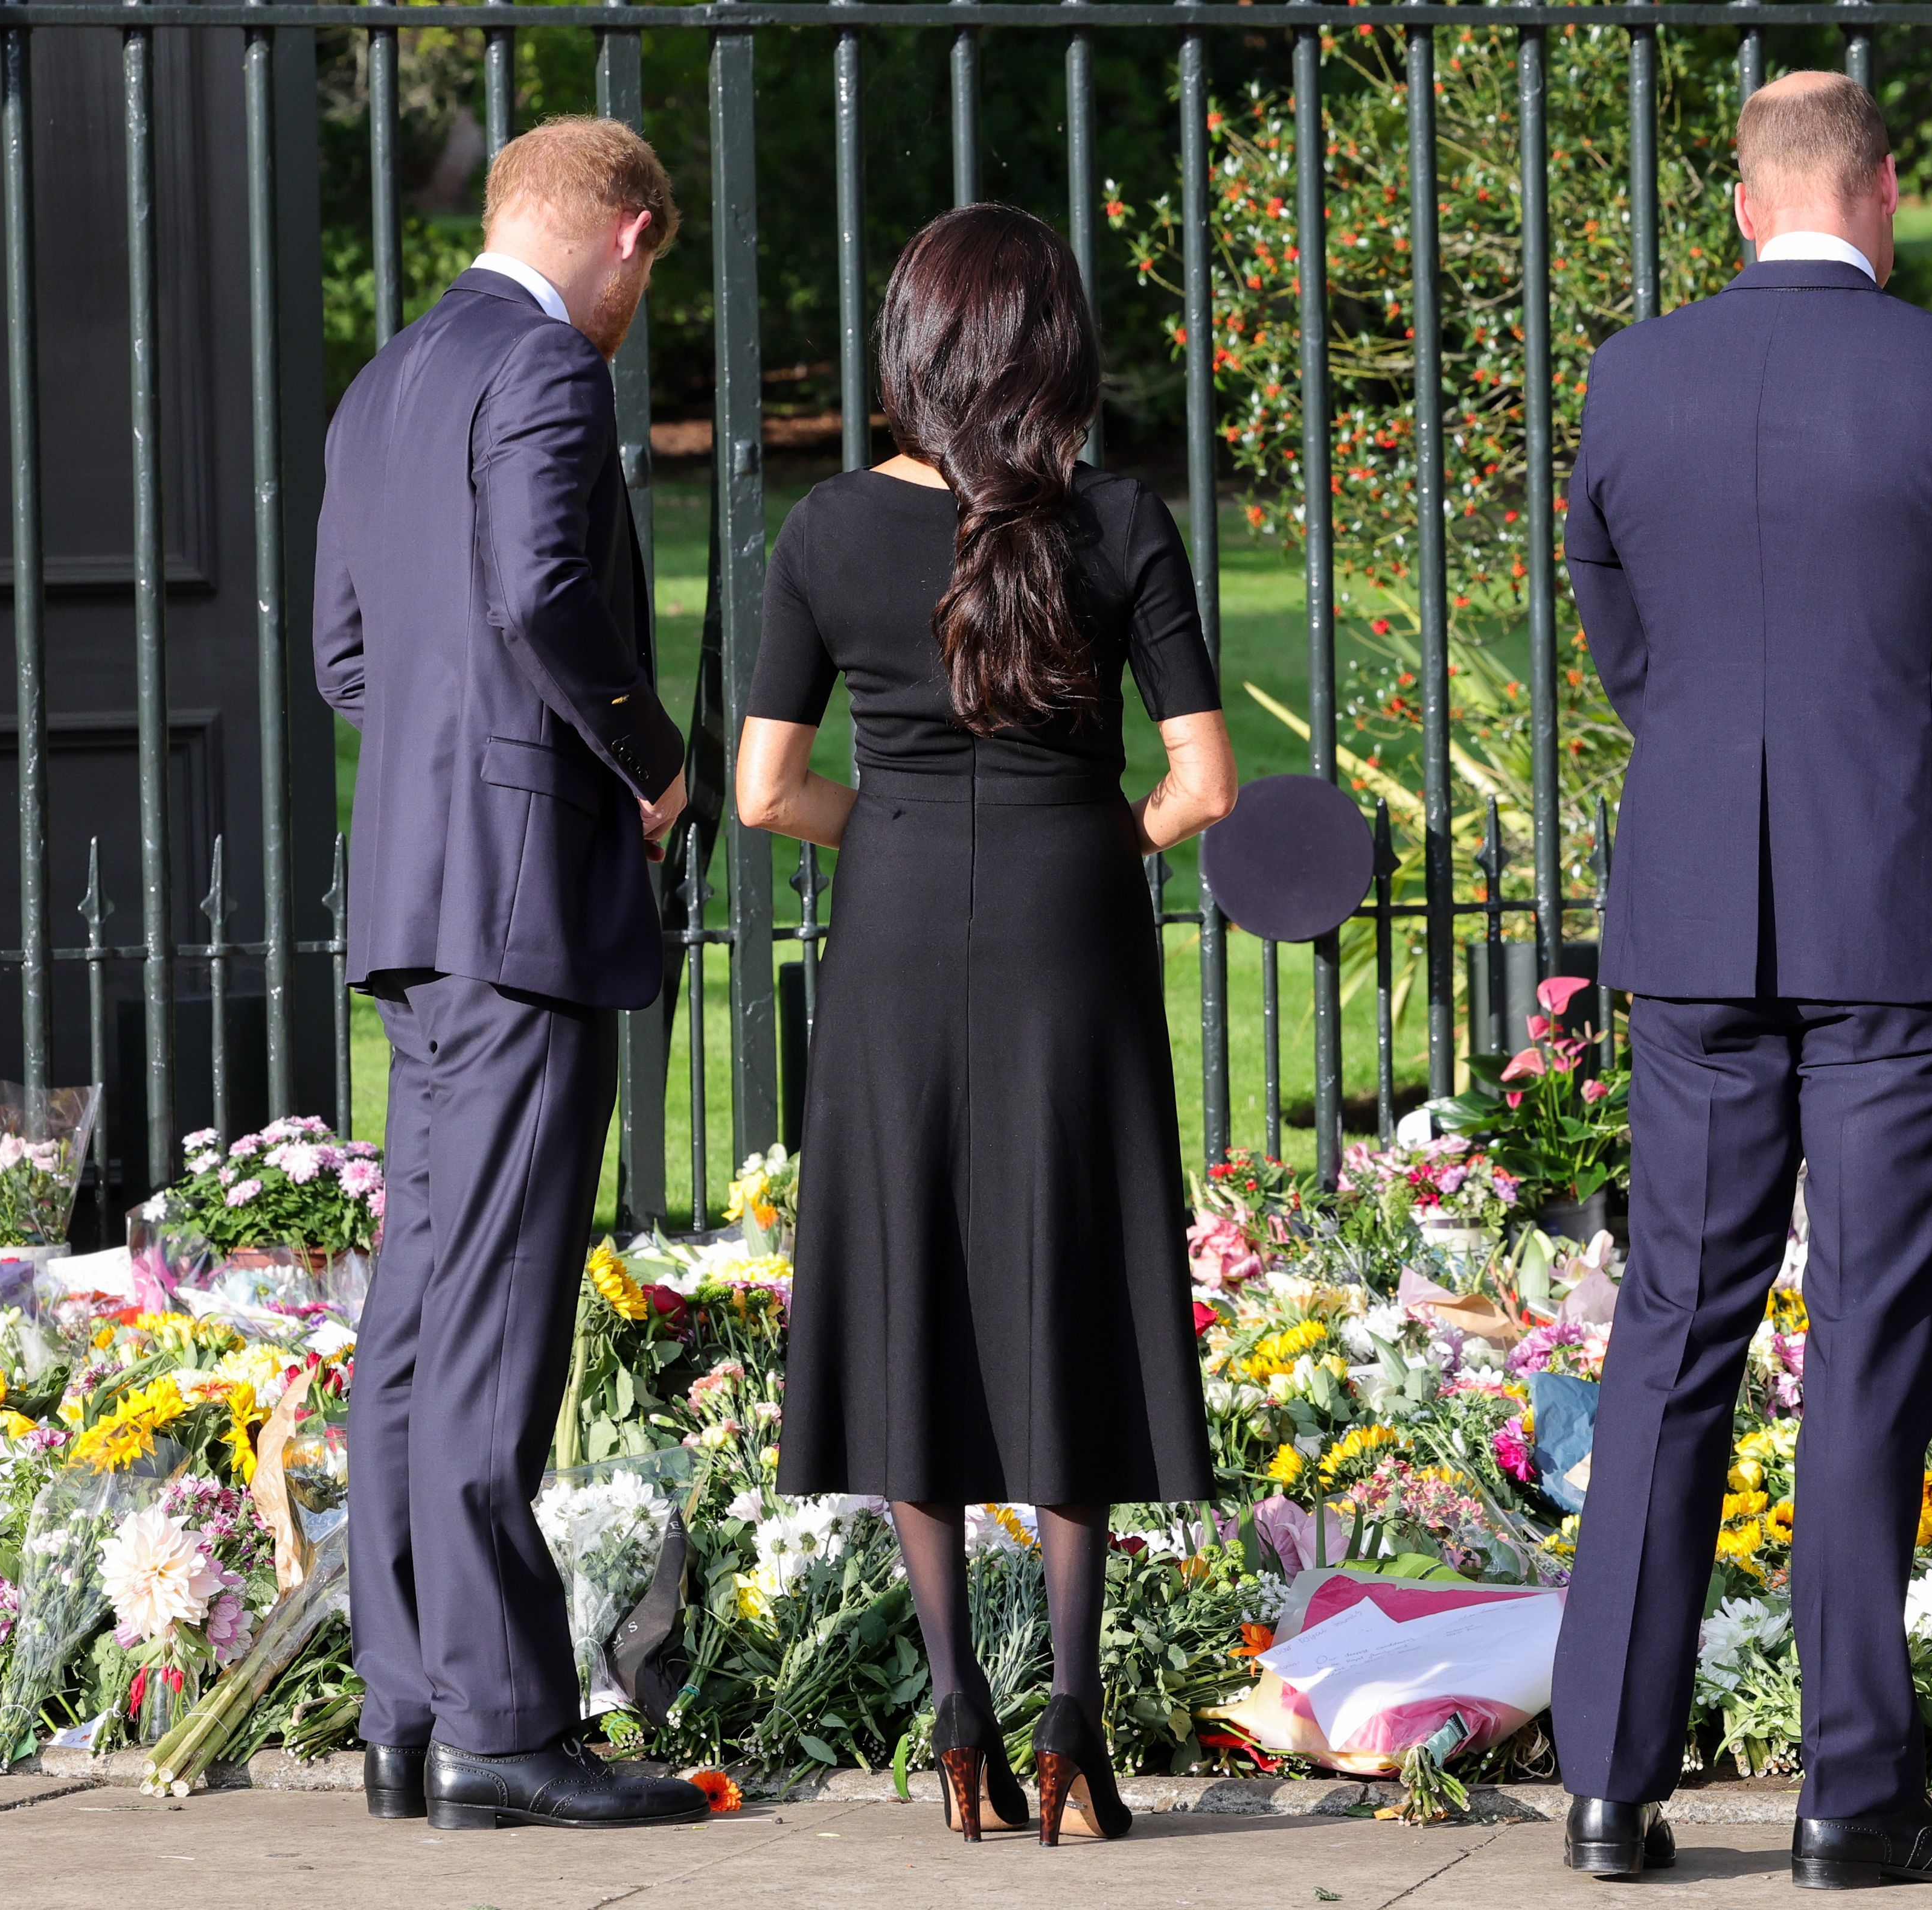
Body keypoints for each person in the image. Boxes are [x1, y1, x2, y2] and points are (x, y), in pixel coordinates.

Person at [1548, 71, 1932, 1891]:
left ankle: (1609, 1783)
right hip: (1895, 922)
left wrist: (1710, 770)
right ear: (1888, 189)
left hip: (1695, 915)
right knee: (1867, 1353)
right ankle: (1852, 1792)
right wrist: (1927, 807)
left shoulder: (1630, 379)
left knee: (1670, 1338)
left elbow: (1621, 635)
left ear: (1746, 203)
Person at [733, 203, 1235, 1848]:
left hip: (887, 941)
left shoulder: (822, 530)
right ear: (1055, 351)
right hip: (1070, 934)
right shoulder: (1120, 521)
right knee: (1067, 1277)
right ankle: (1073, 1730)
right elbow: (1203, 783)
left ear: (910, 350)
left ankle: (955, 1703)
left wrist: (884, 824)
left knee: (908, 1287)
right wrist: (1104, 840)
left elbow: (761, 789)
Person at [313, 118, 708, 1832]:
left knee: (414, 1312)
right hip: (522, 910)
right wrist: (649, 760)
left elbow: (345, 658)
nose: (639, 307)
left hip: (414, 904)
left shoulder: (383, 383)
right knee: (493, 1317)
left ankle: (408, 1705)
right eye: (652, 272)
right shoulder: (549, 370)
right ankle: (499, 1721)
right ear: (625, 233)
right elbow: (549, 589)